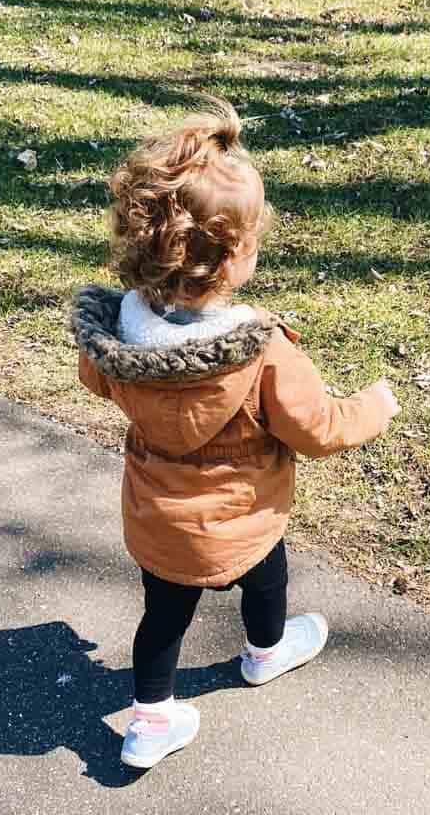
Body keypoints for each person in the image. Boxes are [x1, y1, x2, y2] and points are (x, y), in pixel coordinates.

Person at [72, 97, 400, 770]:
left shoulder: (116, 340)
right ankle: (266, 652)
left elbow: (96, 380)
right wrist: (376, 405)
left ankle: (149, 723)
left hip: (157, 520)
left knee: (162, 618)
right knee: (267, 580)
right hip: (244, 517)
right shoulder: (263, 352)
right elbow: (316, 428)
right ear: (234, 257)